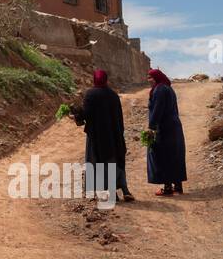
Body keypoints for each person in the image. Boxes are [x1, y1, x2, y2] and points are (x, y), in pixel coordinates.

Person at [78, 69, 134, 202]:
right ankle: (122, 190)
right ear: (106, 79)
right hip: (114, 135)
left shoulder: (91, 94)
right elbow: (120, 117)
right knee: (114, 162)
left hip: (97, 136)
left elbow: (86, 114)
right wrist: (120, 134)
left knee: (96, 162)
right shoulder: (113, 95)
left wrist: (75, 115)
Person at [146, 68, 187, 195]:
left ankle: (168, 188)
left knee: (163, 156)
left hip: (164, 128)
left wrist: (151, 127)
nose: (148, 80)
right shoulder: (168, 88)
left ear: (157, 77)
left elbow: (157, 110)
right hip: (174, 127)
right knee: (175, 155)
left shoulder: (159, 90)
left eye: (150, 77)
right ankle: (178, 186)